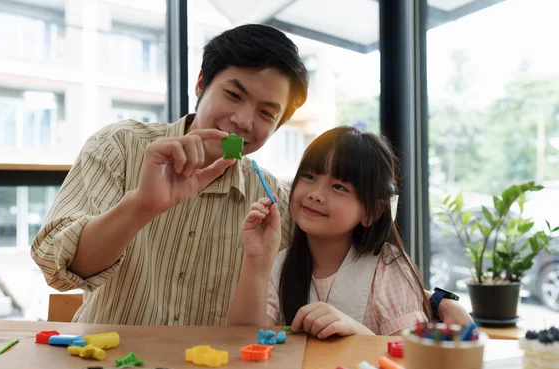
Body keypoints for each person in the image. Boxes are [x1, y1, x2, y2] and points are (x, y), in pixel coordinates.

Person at [32, 24, 470, 327]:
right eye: (233, 94)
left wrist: (436, 301)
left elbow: (363, 252)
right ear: (202, 83)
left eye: (266, 113)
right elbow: (58, 267)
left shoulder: (275, 201)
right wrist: (142, 206)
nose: (243, 121)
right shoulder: (119, 147)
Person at [227, 126, 436, 337]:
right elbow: (244, 341)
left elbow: (409, 355)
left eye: (338, 187)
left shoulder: (388, 267)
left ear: (372, 212)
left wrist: (354, 329)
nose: (316, 194)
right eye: (309, 176)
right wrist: (257, 259)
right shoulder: (281, 264)